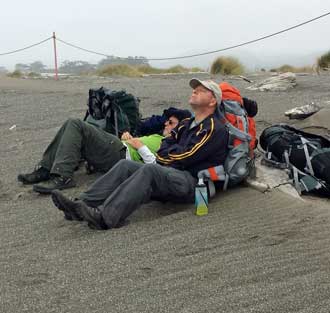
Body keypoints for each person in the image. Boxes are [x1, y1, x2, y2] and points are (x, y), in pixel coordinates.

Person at [51, 79, 229, 230]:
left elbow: (188, 155)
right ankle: (81, 204)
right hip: (170, 173)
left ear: (212, 101)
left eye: (200, 91)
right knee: (125, 165)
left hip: (193, 183)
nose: (194, 92)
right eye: (194, 90)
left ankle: (105, 218)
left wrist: (166, 156)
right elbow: (164, 146)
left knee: (150, 170)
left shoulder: (214, 128)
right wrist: (167, 155)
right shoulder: (185, 124)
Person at [17, 108, 190, 194]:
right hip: (121, 148)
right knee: (70, 127)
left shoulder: (173, 145)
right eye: (167, 121)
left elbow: (158, 167)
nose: (166, 124)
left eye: (171, 122)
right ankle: (46, 169)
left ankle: (62, 176)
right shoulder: (161, 137)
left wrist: (140, 147)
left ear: (182, 126)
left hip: (122, 155)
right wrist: (130, 138)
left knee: (75, 124)